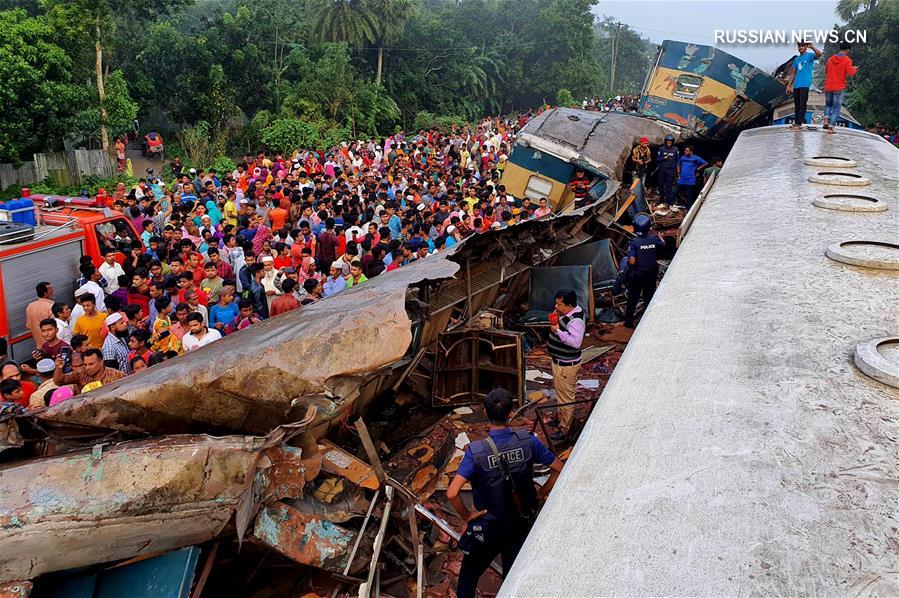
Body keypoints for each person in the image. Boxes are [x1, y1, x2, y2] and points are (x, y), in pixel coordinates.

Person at [447, 388, 564, 598]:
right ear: (511, 414)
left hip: (488, 526)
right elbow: (558, 469)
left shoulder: (476, 451)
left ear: (485, 412)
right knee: (513, 578)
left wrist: (467, 515)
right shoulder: (528, 441)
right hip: (520, 523)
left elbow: (452, 493)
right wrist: (542, 493)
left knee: (468, 577)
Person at [547, 289, 585, 442]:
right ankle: (560, 417)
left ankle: (565, 428)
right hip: (560, 362)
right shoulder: (570, 313)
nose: (556, 306)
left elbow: (576, 343)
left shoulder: (576, 321)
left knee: (566, 398)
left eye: (559, 304)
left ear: (569, 305)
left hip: (566, 365)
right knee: (561, 393)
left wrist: (558, 332)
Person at [624, 214, 665, 329]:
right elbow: (662, 245)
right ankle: (647, 323)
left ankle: (628, 323)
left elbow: (632, 261)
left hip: (638, 275)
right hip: (651, 274)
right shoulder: (654, 239)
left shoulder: (634, 242)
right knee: (649, 298)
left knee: (633, 298)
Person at [53, 348, 125, 394]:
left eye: (91, 364)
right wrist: (59, 368)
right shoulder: (80, 374)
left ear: (101, 362)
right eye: (85, 364)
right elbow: (58, 381)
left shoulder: (117, 375)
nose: (87, 367)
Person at [786, 41, 822, 131]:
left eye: (802, 46)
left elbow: (819, 54)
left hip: (805, 83)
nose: (800, 48)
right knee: (797, 104)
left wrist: (812, 47)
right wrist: (789, 85)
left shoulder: (810, 56)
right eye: (799, 47)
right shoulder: (797, 59)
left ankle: (799, 123)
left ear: (806, 47)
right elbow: (793, 72)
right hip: (796, 84)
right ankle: (797, 122)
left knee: (802, 103)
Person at [823, 42, 858, 133]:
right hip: (839, 86)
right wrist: (855, 69)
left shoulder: (830, 59)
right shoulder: (847, 60)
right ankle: (831, 128)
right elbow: (850, 73)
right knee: (836, 108)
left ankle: (826, 120)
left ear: (840, 48)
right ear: (848, 50)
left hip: (828, 85)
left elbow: (826, 71)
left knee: (828, 105)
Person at [673, 145, 707, 210]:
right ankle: (671, 204)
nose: (685, 152)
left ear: (691, 151)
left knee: (689, 195)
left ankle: (689, 208)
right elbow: (678, 164)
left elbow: (705, 163)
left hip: (690, 180)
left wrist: (698, 169)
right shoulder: (683, 157)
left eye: (686, 151)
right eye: (685, 150)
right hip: (681, 179)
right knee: (674, 191)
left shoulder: (696, 158)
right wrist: (678, 172)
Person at [655, 134, 679, 209]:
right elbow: (657, 159)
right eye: (667, 141)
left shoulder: (675, 149)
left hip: (671, 170)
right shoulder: (661, 149)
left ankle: (668, 201)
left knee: (669, 186)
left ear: (672, 142)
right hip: (662, 170)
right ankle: (662, 200)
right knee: (661, 185)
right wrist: (664, 158)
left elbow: (677, 161)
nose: (669, 143)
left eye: (670, 141)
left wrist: (677, 171)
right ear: (665, 141)